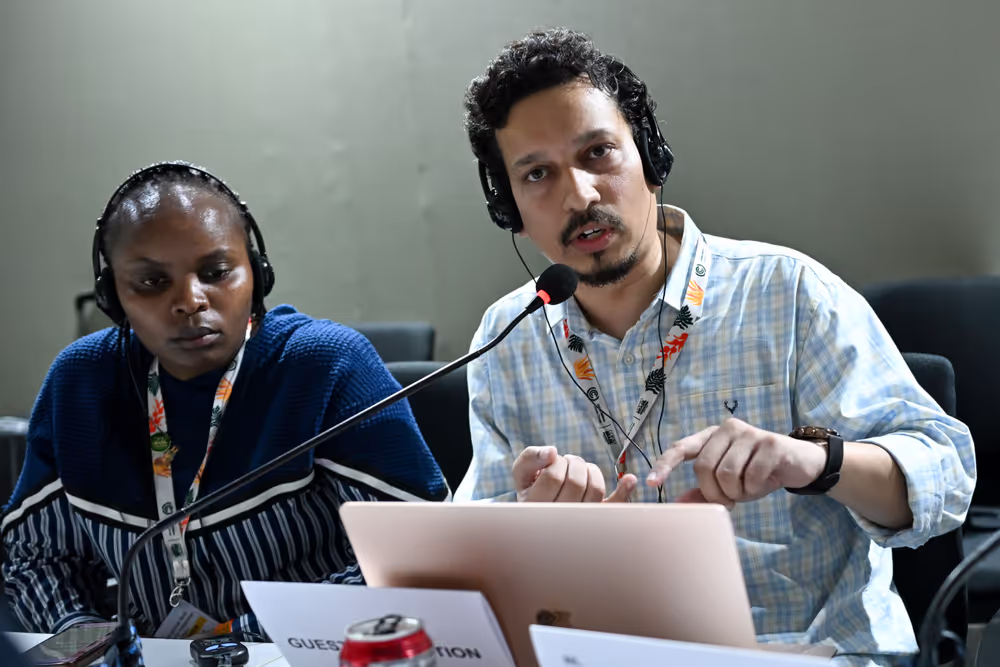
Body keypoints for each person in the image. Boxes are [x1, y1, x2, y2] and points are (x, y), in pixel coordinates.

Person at [454, 28, 975, 665]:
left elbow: (945, 476)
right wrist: (528, 527)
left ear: (648, 158)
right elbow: (473, 568)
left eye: (598, 154)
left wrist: (816, 462)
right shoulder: (505, 337)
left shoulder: (788, 292)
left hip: (801, 654)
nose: (580, 196)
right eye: (537, 174)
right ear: (511, 208)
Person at [2, 161, 447, 639]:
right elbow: (33, 557)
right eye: (152, 283)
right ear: (113, 297)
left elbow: (417, 559)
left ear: (256, 273)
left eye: (216, 271)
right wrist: (88, 640)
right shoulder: (81, 385)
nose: (190, 300)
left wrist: (234, 640)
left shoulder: (326, 366)